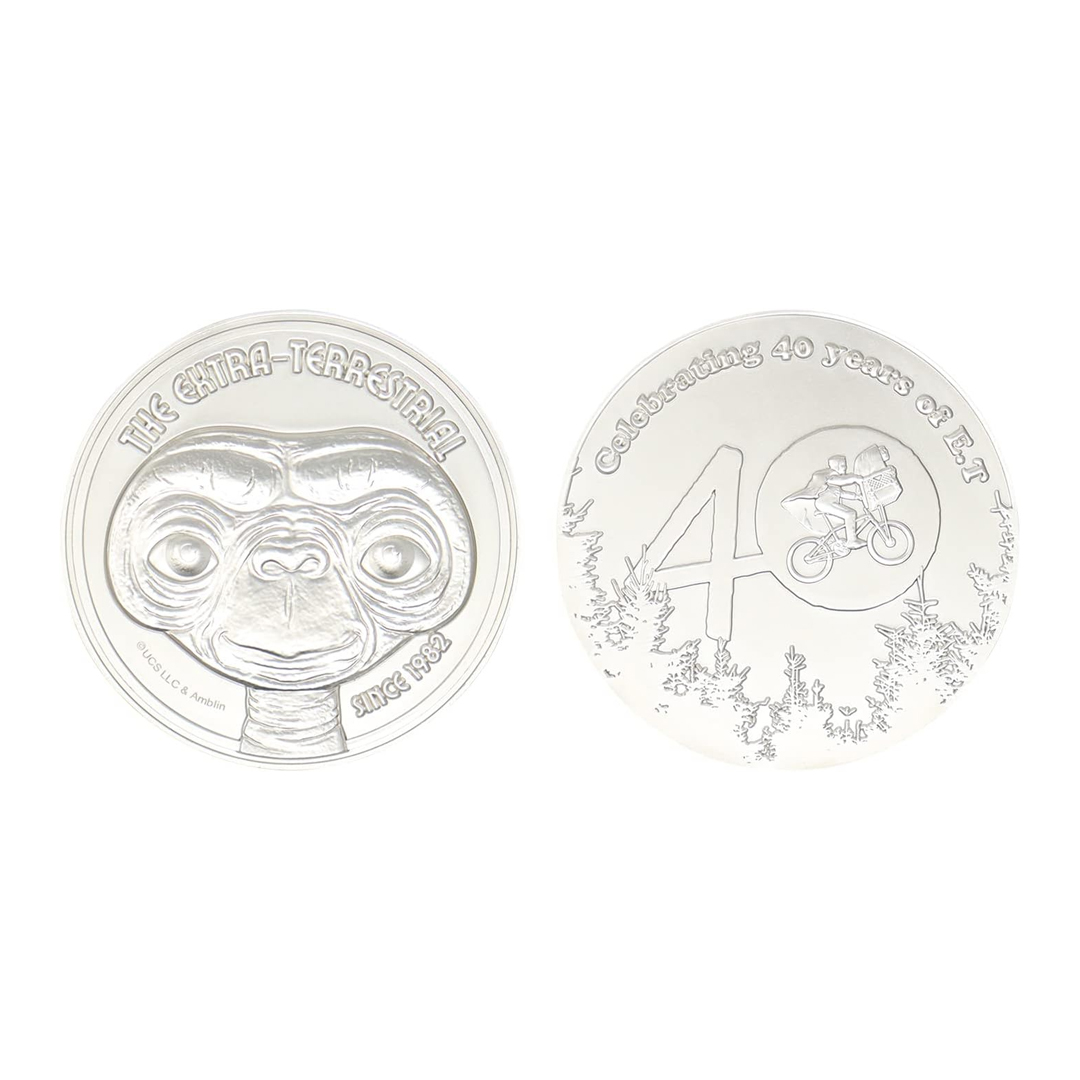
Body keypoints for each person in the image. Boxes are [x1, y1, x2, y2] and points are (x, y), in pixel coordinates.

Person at [800, 455, 864, 549]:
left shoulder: (833, 483)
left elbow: (841, 493)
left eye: (845, 465)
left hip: (828, 503)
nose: (845, 468)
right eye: (842, 465)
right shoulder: (830, 477)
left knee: (845, 518)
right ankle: (851, 541)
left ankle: (835, 540)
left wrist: (856, 496)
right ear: (836, 466)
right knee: (850, 514)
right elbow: (841, 481)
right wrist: (854, 478)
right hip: (825, 504)